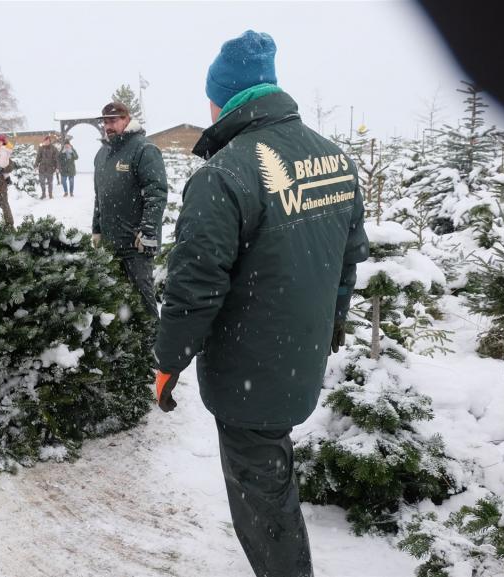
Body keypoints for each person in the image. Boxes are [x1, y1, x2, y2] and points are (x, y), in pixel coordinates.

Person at [152, 31, 369, 577]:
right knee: (272, 467)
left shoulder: (224, 174)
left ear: (222, 98)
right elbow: (348, 259)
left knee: (262, 495)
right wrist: (331, 323)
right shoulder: (335, 160)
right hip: (299, 356)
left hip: (250, 370)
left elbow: (194, 285)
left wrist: (169, 360)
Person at [91, 101, 167, 319]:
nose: (108, 126)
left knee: (143, 301)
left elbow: (156, 193)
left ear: (127, 120)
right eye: (105, 122)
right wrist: (97, 229)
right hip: (110, 243)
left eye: (113, 121)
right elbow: (100, 196)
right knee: (115, 303)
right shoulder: (102, 155)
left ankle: (153, 339)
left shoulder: (144, 149)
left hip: (136, 244)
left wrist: (148, 232)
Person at [34, 135, 59, 199]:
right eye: (45, 141)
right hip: (42, 168)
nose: (46, 142)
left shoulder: (54, 148)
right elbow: (38, 157)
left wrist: (57, 167)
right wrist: (36, 165)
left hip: (50, 168)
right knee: (42, 182)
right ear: (44, 141)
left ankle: (50, 194)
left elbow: (56, 159)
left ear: (50, 141)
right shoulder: (41, 148)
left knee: (50, 183)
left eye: (47, 141)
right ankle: (43, 194)